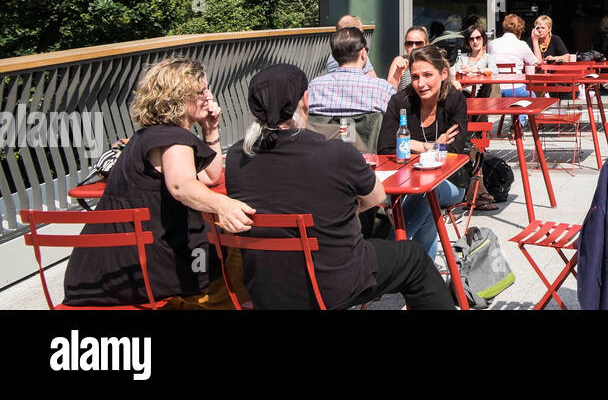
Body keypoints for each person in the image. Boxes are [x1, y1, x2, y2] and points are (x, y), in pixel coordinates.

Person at [224, 65, 455, 310]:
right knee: (413, 257)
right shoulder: (333, 152)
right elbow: (377, 195)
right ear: (305, 100)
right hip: (332, 284)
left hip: (265, 288)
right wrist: (350, 207)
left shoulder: (237, 156)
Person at [63, 58, 255, 307]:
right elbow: (181, 186)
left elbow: (208, 176)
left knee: (219, 244)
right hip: (139, 272)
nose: (208, 97)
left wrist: (210, 131)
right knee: (236, 249)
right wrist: (223, 204)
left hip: (104, 270)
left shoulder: (148, 135)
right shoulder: (173, 139)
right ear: (178, 97)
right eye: (200, 91)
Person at [376, 47, 476, 258]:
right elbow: (385, 149)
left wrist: (407, 143)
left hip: (452, 182)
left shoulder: (454, 100)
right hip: (406, 180)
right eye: (415, 77)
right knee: (428, 208)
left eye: (428, 75)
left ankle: (385, 257)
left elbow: (454, 152)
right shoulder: (400, 102)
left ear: (443, 74)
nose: (421, 84)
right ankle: (423, 276)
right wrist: (428, 146)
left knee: (426, 191)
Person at [307, 28, 395, 150]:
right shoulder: (382, 89)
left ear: (334, 56)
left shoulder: (314, 87)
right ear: (363, 53)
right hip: (367, 163)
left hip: (323, 161)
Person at [386, 25, 429, 90]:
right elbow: (388, 92)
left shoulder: (433, 61)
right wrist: (398, 72)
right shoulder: (399, 61)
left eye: (419, 43)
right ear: (405, 45)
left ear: (426, 44)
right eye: (409, 43)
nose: (414, 47)